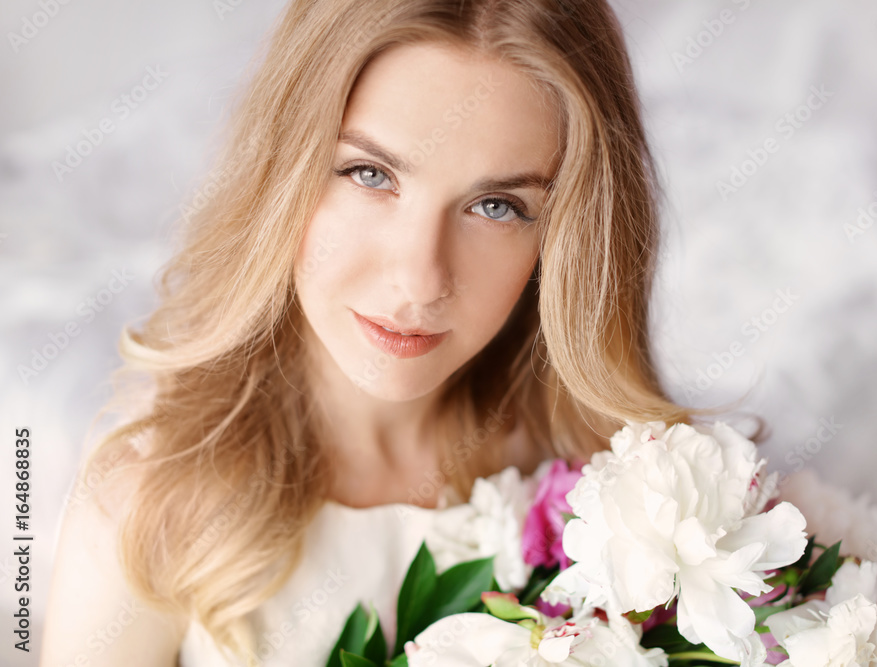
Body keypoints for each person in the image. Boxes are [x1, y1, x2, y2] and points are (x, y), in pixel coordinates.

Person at [40, 0, 693, 664]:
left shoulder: (631, 497)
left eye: (496, 206)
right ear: (281, 170)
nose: (419, 279)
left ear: (566, 242)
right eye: (369, 174)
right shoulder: (150, 506)